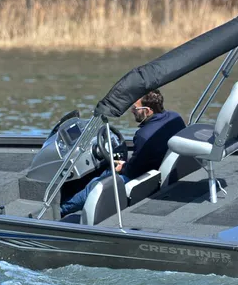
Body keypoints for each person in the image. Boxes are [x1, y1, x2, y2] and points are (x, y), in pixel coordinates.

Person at [60, 89, 186, 217]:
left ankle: (62, 209)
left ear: (147, 111)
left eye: (135, 108)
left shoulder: (144, 135)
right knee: (109, 170)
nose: (132, 110)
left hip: (143, 176)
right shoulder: (175, 117)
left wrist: (123, 166)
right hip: (159, 167)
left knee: (95, 184)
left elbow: (133, 171)